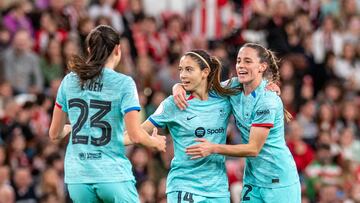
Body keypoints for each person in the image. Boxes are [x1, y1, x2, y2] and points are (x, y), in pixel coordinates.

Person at [49, 25, 166, 203]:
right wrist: (155, 142)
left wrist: (68, 128)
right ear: (118, 49)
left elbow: (54, 134)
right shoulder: (124, 83)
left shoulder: (68, 81)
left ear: (89, 50)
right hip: (111, 174)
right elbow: (135, 135)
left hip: (78, 177)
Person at [174, 43, 300, 202]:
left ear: (262, 67)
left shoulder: (267, 100)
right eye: (239, 60)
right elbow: (202, 88)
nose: (241, 65)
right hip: (253, 179)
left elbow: (253, 149)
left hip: (278, 181)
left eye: (248, 61)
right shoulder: (234, 86)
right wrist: (179, 86)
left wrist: (213, 148)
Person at [125, 49, 236, 202]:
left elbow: (252, 81)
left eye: (189, 69)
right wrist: (106, 142)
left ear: (205, 72)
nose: (182, 75)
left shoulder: (224, 96)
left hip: (218, 190)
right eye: (181, 70)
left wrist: (270, 86)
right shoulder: (174, 103)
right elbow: (137, 132)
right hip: (184, 187)